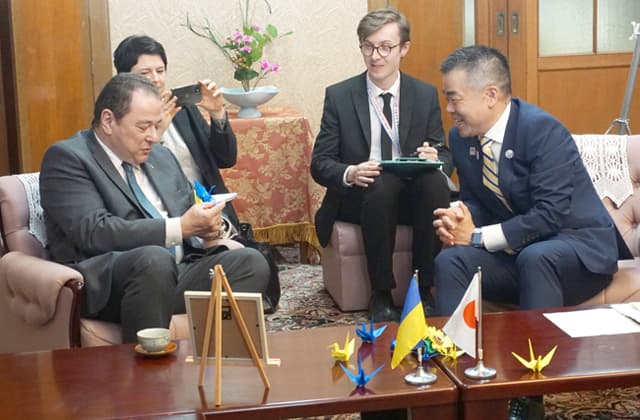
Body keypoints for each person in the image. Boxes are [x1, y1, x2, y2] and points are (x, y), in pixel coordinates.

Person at [433, 45, 619, 420]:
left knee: (538, 257)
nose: (449, 108)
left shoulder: (542, 130)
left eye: (454, 98)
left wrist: (477, 237)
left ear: (490, 95)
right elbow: (478, 200)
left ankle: (530, 394)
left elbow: (550, 215)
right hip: (520, 252)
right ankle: (455, 380)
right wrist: (460, 218)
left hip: (577, 251)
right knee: (451, 260)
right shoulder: (462, 137)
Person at [40, 73, 270, 343]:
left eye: (157, 125)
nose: (153, 136)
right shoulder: (68, 158)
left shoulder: (160, 156)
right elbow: (95, 231)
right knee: (153, 260)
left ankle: (212, 357)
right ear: (108, 121)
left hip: (174, 271)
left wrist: (207, 232)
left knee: (251, 262)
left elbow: (187, 213)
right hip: (111, 281)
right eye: (143, 127)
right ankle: (146, 367)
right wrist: (181, 227)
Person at [310, 8, 452, 322]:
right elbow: (320, 163)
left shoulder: (424, 94)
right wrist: (351, 172)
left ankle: (423, 288)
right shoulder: (340, 96)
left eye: (385, 47)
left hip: (414, 196)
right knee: (382, 181)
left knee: (433, 183)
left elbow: (444, 152)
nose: (375, 56)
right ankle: (382, 293)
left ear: (404, 48)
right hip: (363, 198)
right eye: (368, 46)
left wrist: (436, 160)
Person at [113, 35, 240, 227]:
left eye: (160, 71)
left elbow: (226, 159)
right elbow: (130, 175)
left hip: (209, 210)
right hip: (159, 221)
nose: (156, 79)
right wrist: (157, 130)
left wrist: (217, 113)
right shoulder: (119, 120)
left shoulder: (183, 109)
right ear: (124, 78)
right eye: (145, 73)